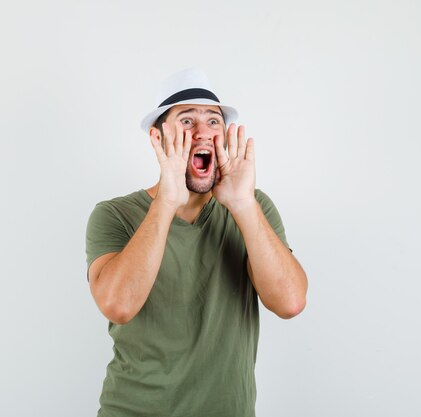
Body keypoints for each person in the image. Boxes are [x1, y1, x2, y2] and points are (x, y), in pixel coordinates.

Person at [85, 68, 308, 417]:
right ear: (158, 138)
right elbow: (119, 305)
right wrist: (167, 200)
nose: (203, 132)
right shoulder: (115, 215)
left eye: (214, 121)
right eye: (187, 121)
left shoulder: (252, 208)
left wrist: (243, 204)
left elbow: (291, 302)